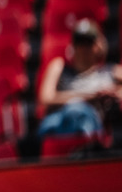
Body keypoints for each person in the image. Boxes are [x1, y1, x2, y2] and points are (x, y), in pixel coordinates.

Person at [33, 18, 122, 153]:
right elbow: (45, 98)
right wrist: (87, 97)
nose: (84, 48)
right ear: (73, 46)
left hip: (89, 125)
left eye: (89, 42)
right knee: (71, 113)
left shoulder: (110, 71)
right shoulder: (59, 67)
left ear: (99, 45)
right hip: (58, 121)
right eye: (80, 42)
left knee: (82, 116)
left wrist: (115, 93)